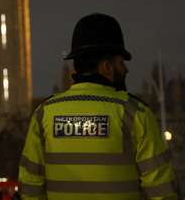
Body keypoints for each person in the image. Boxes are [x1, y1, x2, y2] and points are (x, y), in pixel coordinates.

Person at [18, 13, 176, 199]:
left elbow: (30, 188)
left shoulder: (44, 114)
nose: (126, 69)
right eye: (120, 62)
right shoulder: (135, 114)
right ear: (106, 67)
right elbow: (161, 191)